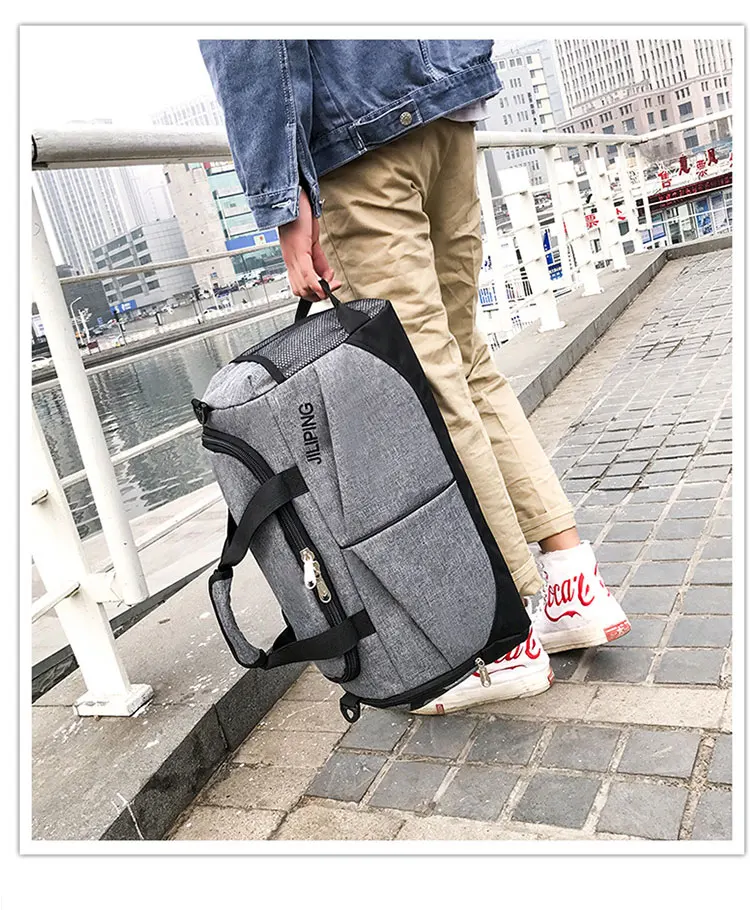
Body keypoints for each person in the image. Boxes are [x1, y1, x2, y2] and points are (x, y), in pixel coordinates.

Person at [199, 39, 631, 714]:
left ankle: (501, 639)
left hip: (361, 142)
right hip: (446, 107)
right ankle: (572, 585)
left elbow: (249, 36)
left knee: (427, 390)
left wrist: (283, 198)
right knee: (467, 361)